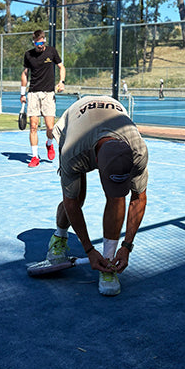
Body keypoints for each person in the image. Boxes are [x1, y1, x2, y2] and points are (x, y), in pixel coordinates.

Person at [45, 95, 148, 296]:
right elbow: (71, 202)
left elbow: (138, 198)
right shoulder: (73, 152)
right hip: (75, 122)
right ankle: (59, 236)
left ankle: (108, 261)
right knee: (77, 196)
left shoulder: (138, 151)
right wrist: (89, 250)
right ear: (97, 165)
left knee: (116, 197)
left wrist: (127, 246)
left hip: (112, 119)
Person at [20, 29, 65, 167]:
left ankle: (49, 144)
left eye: (42, 42)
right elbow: (25, 74)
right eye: (37, 43)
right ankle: (35, 157)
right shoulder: (28, 55)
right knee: (33, 127)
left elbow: (61, 67)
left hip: (48, 94)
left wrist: (61, 82)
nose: (40, 45)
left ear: (44, 40)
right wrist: (22, 93)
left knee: (50, 128)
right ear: (33, 42)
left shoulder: (51, 51)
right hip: (33, 93)